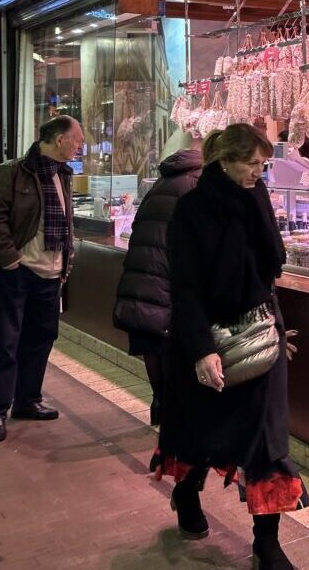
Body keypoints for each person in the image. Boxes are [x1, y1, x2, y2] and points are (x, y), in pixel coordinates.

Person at [151, 124, 307, 569]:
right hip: (209, 339)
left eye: (262, 163)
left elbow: (266, 272)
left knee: (266, 440)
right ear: (224, 161)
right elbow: (185, 288)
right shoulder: (192, 211)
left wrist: (274, 327)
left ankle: (266, 542)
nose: (259, 172)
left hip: (258, 335)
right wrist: (202, 350)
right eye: (250, 163)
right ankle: (186, 492)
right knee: (205, 432)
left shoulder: (257, 200)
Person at [0, 115, 83, 443]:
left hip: (51, 275)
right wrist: (10, 260)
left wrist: (66, 259)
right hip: (16, 273)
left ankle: (27, 401)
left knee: (40, 340)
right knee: (4, 344)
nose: (81, 145)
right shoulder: (11, 172)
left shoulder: (63, 175)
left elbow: (63, 221)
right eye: (77, 139)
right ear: (58, 139)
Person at [112, 144, 204, 425]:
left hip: (144, 274)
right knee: (169, 345)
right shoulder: (197, 185)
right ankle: (173, 413)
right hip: (165, 276)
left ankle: (160, 403)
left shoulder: (163, 182)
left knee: (152, 342)